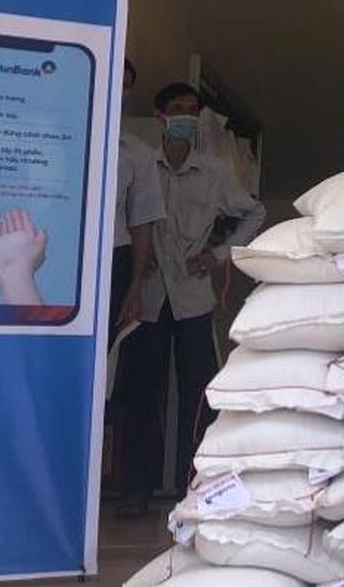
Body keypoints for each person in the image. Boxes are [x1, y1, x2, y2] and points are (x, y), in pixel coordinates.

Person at [114, 82, 264, 518]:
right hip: (147, 294)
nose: (186, 117)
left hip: (193, 295)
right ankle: (135, 488)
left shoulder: (214, 170)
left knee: (198, 393)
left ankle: (195, 483)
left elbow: (254, 212)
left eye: (193, 110)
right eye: (178, 109)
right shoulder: (141, 163)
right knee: (140, 390)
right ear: (160, 116)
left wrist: (218, 255)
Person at [111, 61, 165, 336]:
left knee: (106, 344)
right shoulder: (53, 137)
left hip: (114, 257)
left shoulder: (136, 152)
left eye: (125, 86)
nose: (119, 91)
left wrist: (135, 288)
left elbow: (142, 224)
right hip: (57, 252)